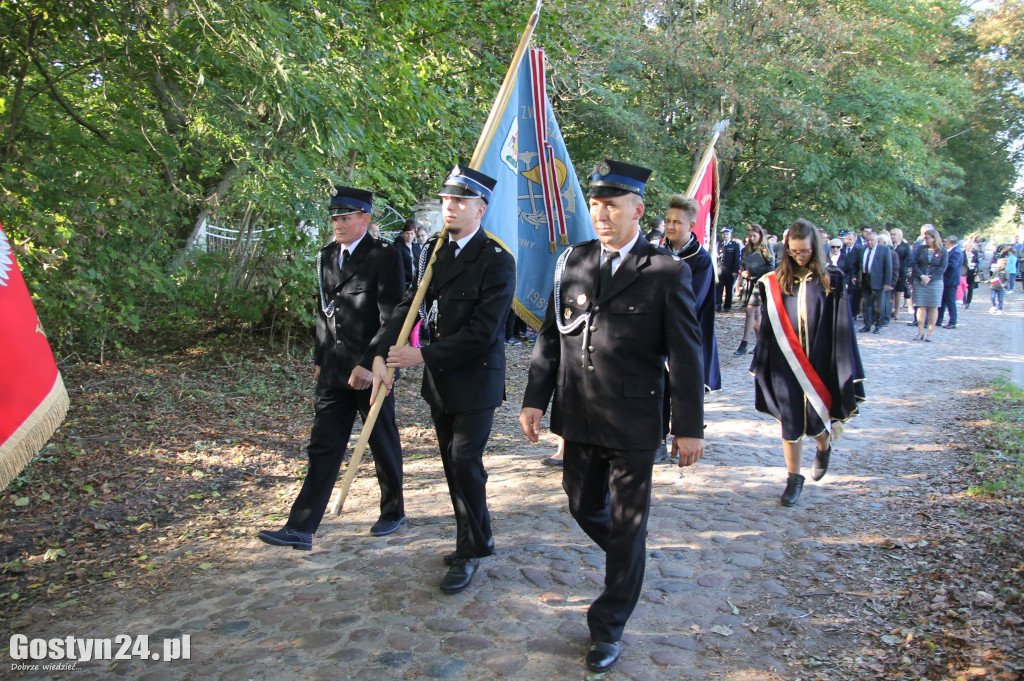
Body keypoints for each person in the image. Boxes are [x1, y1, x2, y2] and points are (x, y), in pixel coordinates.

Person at [519, 159, 705, 674]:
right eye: (596, 204)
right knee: (582, 506)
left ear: (637, 210)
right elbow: (552, 334)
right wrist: (536, 397)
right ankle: (631, 559)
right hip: (578, 412)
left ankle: (608, 624)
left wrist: (688, 427)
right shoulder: (573, 261)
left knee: (626, 524)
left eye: (612, 205)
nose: (601, 214)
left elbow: (686, 355)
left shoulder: (666, 271)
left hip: (635, 419)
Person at [371, 164, 515, 595]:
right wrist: (378, 352)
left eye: (460, 201)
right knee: (454, 464)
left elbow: (482, 332)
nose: (449, 207)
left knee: (465, 459)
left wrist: (422, 354)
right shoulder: (436, 251)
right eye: (446, 200)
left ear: (480, 209)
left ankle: (469, 551)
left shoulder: (496, 261)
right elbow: (408, 305)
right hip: (441, 383)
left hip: (477, 381)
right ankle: (477, 536)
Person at [258, 185, 407, 551]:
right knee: (323, 446)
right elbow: (325, 314)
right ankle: (301, 527)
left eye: (345, 217)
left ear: (364, 218)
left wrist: (371, 364)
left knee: (381, 440)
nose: (338, 224)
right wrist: (319, 360)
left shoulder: (384, 256)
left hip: (372, 370)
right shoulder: (327, 255)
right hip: (333, 370)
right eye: (335, 218)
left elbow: (393, 318)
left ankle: (393, 511)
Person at [751, 218, 865, 507]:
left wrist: (842, 365)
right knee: (790, 424)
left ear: (816, 247)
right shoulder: (776, 281)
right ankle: (793, 478)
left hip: (819, 362)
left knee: (816, 424)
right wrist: (762, 359)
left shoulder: (832, 279)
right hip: (785, 363)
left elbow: (841, 326)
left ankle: (824, 446)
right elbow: (767, 327)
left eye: (804, 251)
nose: (798, 256)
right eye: (793, 251)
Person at [659, 194, 721, 461]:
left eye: (677, 222)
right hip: (657, 330)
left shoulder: (701, 260)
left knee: (684, 387)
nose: (671, 226)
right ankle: (658, 439)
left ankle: (684, 436)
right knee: (658, 387)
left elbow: (691, 303)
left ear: (691, 225)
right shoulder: (658, 251)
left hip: (686, 333)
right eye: (668, 221)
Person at [734, 224, 775, 355]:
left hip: (760, 283)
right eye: (750, 236)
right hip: (749, 282)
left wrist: (752, 271)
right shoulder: (747, 248)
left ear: (760, 235)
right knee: (756, 315)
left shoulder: (766, 247)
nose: (751, 238)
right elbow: (744, 264)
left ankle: (744, 343)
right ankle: (760, 344)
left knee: (750, 311)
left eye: (754, 236)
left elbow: (770, 267)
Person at [909, 225, 947, 341]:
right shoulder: (921, 249)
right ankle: (920, 332)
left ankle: (930, 333)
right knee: (920, 306)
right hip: (920, 280)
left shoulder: (942, 251)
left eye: (928, 238)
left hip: (935, 282)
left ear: (934, 238)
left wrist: (930, 277)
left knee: (933, 307)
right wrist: (921, 275)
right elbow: (913, 262)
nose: (926, 240)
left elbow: (943, 267)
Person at [856, 231, 892, 335]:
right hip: (865, 278)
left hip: (878, 280)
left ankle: (878, 325)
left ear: (877, 240)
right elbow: (857, 264)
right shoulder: (862, 249)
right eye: (868, 240)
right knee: (866, 303)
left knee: (878, 304)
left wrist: (887, 282)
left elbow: (888, 267)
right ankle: (867, 324)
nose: (870, 242)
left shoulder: (884, 249)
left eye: (872, 240)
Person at [937, 235, 964, 329]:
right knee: (942, 301)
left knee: (950, 301)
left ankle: (953, 321)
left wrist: (942, 264)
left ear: (949, 242)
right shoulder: (954, 250)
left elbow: (953, 265)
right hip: (947, 279)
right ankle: (939, 319)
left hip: (951, 280)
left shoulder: (956, 251)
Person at [393, 219, 423, 288]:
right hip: (404, 282)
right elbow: (398, 266)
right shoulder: (398, 248)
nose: (409, 236)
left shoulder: (417, 247)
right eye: (407, 233)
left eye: (411, 233)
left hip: (417, 282)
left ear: (414, 234)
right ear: (403, 234)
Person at [716, 228, 741, 312]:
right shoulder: (719, 244)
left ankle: (727, 306)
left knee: (729, 290)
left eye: (726, 234)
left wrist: (735, 271)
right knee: (718, 289)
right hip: (720, 271)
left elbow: (737, 259)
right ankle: (717, 305)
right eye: (723, 234)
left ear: (730, 235)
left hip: (730, 271)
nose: (725, 235)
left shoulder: (735, 245)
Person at [891, 228, 911, 320]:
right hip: (891, 271)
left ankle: (897, 311)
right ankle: (890, 309)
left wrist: (902, 267)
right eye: (891, 235)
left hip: (901, 272)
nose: (892, 236)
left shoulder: (905, 246)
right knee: (891, 292)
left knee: (898, 293)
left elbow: (908, 259)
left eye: (894, 235)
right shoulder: (890, 246)